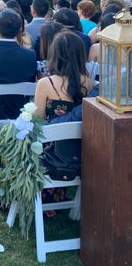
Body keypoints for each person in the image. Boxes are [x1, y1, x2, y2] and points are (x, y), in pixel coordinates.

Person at [34, 32, 94, 180]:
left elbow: (37, 121)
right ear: (81, 55)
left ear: (55, 54)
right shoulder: (90, 83)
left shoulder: (45, 84)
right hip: (80, 152)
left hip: (51, 153)